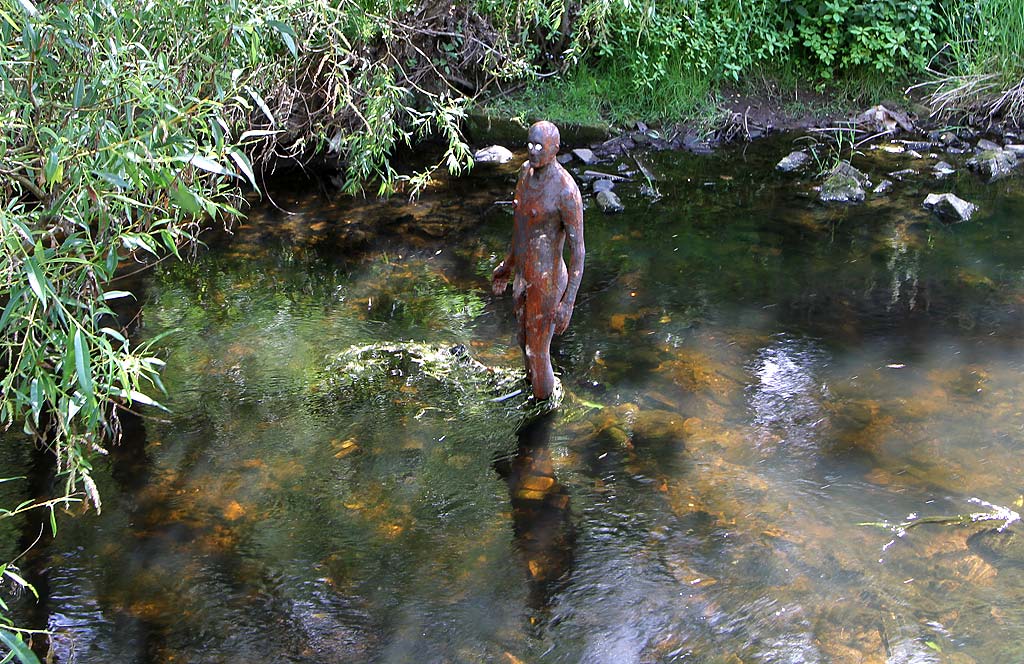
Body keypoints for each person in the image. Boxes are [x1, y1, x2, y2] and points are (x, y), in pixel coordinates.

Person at [492, 121, 585, 400]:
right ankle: (531, 390)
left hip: (548, 281)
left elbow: (578, 251)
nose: (533, 151)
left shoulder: (566, 191)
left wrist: (567, 303)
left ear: (555, 149)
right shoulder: (524, 173)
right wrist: (507, 266)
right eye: (530, 144)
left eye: (539, 146)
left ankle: (544, 413)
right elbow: (520, 228)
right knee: (523, 341)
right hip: (524, 274)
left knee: (537, 350)